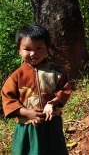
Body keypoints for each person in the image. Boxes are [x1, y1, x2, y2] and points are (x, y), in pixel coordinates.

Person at [1, 24, 71, 155]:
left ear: (47, 48)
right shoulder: (17, 76)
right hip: (27, 127)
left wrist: (53, 103)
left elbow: (65, 89)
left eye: (39, 48)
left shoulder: (57, 72)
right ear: (19, 51)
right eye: (27, 49)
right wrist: (27, 113)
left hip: (51, 124)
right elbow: (8, 98)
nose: (33, 53)